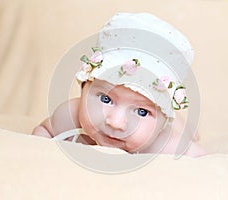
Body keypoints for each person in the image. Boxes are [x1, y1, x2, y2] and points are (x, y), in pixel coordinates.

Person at [32, 13, 205, 157]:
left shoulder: (164, 144)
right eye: (106, 99)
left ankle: (183, 125)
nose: (116, 123)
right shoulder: (69, 116)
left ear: (164, 120)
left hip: (173, 130)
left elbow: (203, 160)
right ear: (84, 87)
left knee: (186, 133)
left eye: (142, 111)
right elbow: (43, 132)